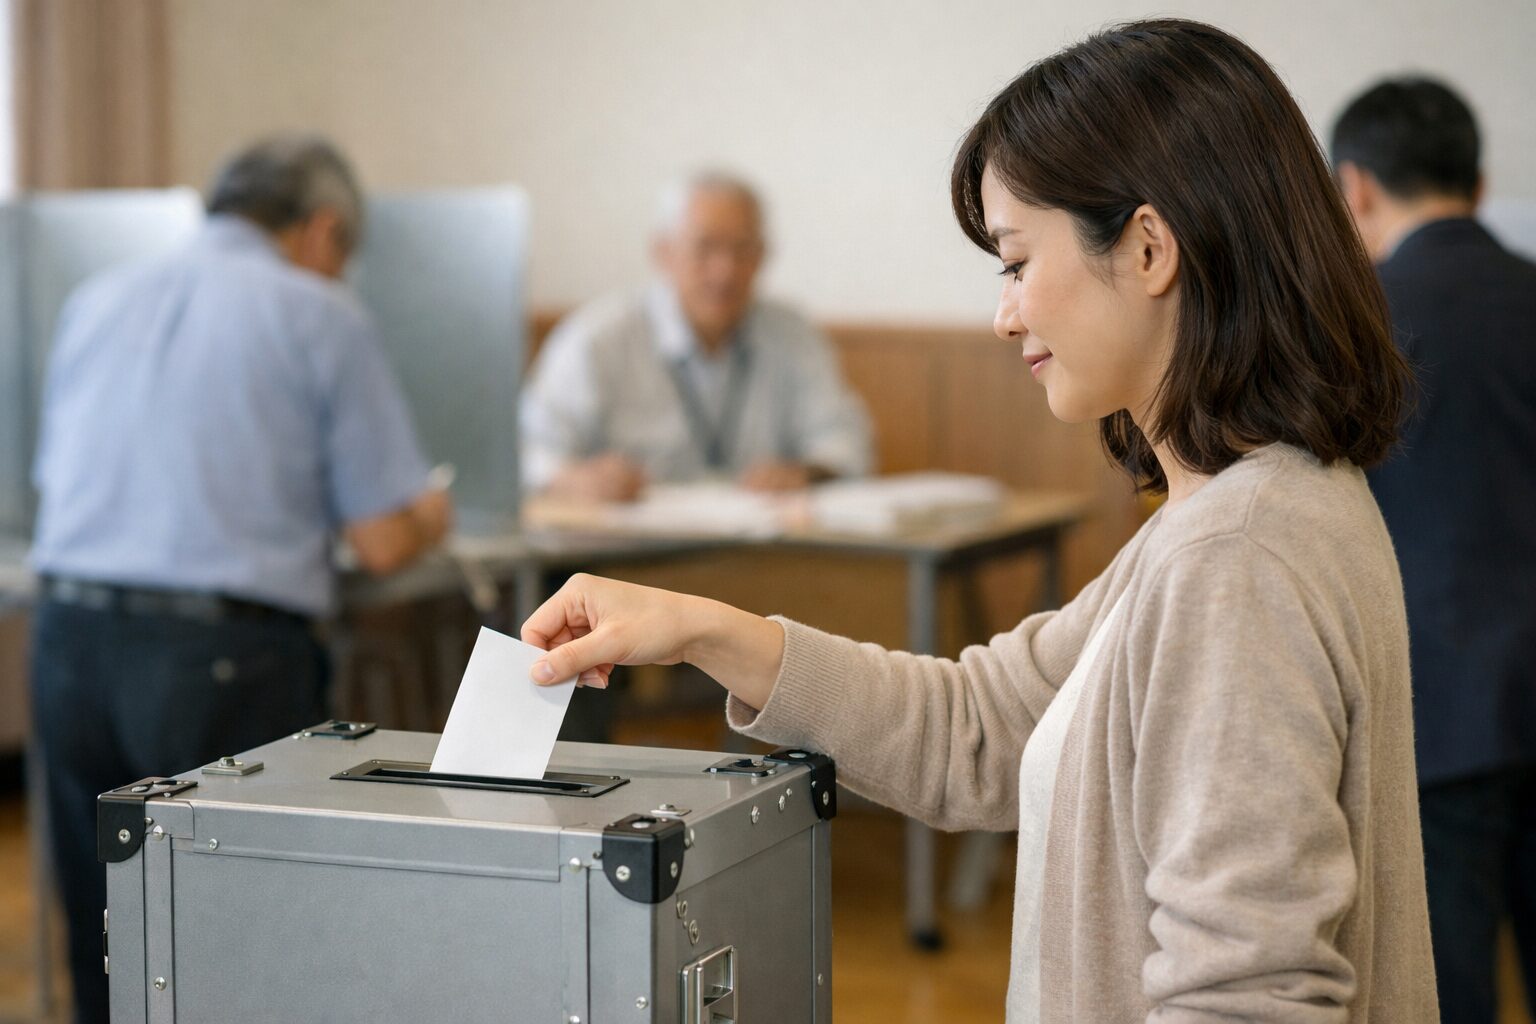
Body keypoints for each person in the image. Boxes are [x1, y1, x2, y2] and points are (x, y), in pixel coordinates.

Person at [522, 20, 1439, 1021]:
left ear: (1147, 248)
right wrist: (704, 629)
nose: (1004, 315)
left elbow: (1246, 998)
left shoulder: (1237, 557)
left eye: (1015, 261)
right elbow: (981, 728)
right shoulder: (1243, 511)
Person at [29, 134, 451, 1023]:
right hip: (217, 658)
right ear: (324, 229)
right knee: (244, 939)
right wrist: (431, 513)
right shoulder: (318, 312)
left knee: (107, 933)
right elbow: (381, 541)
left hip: (67, 644)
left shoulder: (97, 296)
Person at [1333, 78, 1536, 1024]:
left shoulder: (1356, 321)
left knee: (1446, 988)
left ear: (1355, 188)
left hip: (1435, 706)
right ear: (1479, 184)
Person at [519, 172, 872, 501]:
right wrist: (573, 478)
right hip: (624, 544)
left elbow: (847, 445)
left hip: (762, 542)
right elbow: (526, 451)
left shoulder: (793, 335)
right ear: (663, 252)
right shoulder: (597, 339)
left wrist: (805, 474)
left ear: (763, 256)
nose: (725, 271)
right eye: (705, 248)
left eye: (743, 249)